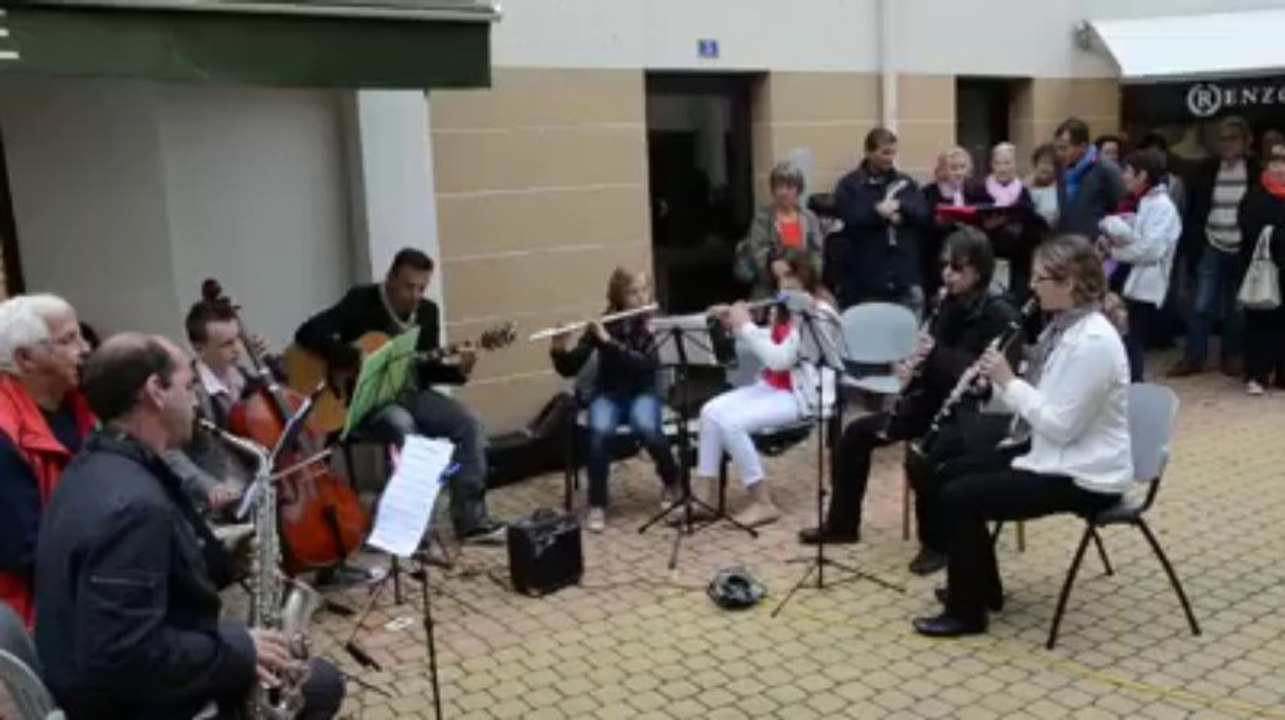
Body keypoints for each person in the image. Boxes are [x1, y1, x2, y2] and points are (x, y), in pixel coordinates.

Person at [34, 333, 345, 719]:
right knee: (321, 684)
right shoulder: (134, 508)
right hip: (132, 706)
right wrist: (240, 648)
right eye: (188, 386)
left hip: (94, 679)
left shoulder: (95, 464)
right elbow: (126, 653)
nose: (195, 400)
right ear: (155, 392)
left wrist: (222, 556)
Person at [913, 235, 1132, 638]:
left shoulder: (1094, 343)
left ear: (1068, 284)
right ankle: (982, 588)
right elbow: (1037, 397)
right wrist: (989, 390)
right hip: (1052, 451)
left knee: (962, 496)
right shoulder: (1061, 330)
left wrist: (1008, 380)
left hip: (1084, 472)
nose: (1031, 286)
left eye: (1039, 278)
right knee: (946, 469)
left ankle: (968, 613)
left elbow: (1061, 424)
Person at [797, 228, 1020, 575]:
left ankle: (937, 543)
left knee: (923, 458)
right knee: (855, 433)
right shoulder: (947, 302)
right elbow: (934, 362)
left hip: (970, 416)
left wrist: (935, 356)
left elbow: (984, 372)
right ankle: (842, 524)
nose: (948, 275)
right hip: (931, 403)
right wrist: (910, 371)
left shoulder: (998, 311)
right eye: (946, 266)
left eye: (958, 268)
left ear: (979, 270)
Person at [295, 248, 504, 543]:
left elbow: (427, 370)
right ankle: (407, 526)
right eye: (409, 286)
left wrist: (461, 371)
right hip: (363, 401)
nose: (416, 294)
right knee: (405, 428)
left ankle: (471, 520)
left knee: (470, 422)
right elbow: (307, 333)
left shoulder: (427, 312)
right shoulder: (361, 301)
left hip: (411, 393)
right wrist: (352, 356)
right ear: (391, 279)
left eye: (422, 287)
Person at [695, 249, 840, 527]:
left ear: (805, 274)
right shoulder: (785, 307)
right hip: (775, 385)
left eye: (788, 276)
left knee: (731, 423)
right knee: (709, 410)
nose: (783, 285)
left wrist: (746, 325)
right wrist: (735, 325)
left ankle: (762, 502)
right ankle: (705, 496)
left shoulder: (817, 313)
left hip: (804, 396)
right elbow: (773, 340)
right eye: (778, 278)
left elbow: (781, 358)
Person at [549, 268, 680, 531]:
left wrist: (608, 343)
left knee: (648, 429)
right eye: (633, 292)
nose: (641, 297)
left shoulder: (654, 324)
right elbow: (570, 368)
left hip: (643, 391)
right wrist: (559, 348)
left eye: (644, 290)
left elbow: (643, 365)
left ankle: (672, 482)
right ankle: (597, 503)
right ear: (619, 296)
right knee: (599, 434)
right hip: (608, 394)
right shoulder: (606, 322)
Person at [0, 294, 94, 627]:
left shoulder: (83, 405)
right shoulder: (4, 434)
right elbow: (26, 553)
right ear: (26, 359)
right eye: (68, 340)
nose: (84, 349)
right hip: (35, 619)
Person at [1169, 116, 1258, 378]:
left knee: (1237, 307)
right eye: (1223, 139)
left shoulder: (1255, 171)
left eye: (1233, 138)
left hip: (1242, 247)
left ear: (1245, 141)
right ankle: (1195, 356)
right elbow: (1195, 208)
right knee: (1201, 304)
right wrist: (1195, 241)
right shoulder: (1206, 170)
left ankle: (1231, 356)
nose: (1227, 144)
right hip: (1212, 242)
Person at [164, 298, 255, 516]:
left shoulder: (246, 379)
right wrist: (207, 486)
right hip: (218, 506)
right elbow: (169, 451)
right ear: (199, 348)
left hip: (258, 493)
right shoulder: (187, 390)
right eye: (227, 344)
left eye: (238, 339)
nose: (238, 350)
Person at [1099, 148, 1183, 382]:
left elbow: (1151, 249)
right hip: (1124, 280)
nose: (1123, 176)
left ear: (1143, 175)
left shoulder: (1162, 207)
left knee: (1130, 340)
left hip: (1140, 286)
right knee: (1120, 338)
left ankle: (1133, 389)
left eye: (1127, 171)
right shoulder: (1140, 202)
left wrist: (1115, 250)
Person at [832, 127, 930, 312]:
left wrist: (900, 207)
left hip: (904, 275)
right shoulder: (850, 185)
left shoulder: (905, 183)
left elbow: (922, 212)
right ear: (869, 152)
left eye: (892, 153)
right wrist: (877, 212)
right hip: (866, 278)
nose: (889, 158)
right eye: (884, 153)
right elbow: (848, 217)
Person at [735, 161, 824, 300]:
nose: (783, 192)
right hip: (769, 288)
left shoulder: (809, 217)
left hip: (804, 286)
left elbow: (817, 252)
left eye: (789, 187)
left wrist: (808, 275)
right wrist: (772, 266)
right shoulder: (763, 218)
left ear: (798, 189)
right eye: (778, 187)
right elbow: (757, 252)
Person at [1237, 142, 1285, 395]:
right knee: (1260, 322)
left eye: (1284, 163)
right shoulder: (1254, 195)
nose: (1280, 168)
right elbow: (1247, 227)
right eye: (1275, 163)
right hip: (1263, 270)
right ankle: (1256, 374)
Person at [979, 142, 1042, 305]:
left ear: (1014, 164)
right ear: (991, 165)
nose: (1002, 168)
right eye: (998, 163)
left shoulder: (1023, 191)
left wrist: (1009, 221)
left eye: (1007, 163)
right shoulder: (979, 190)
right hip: (990, 258)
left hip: (1019, 262)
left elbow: (1033, 225)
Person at [921, 147, 988, 300]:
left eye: (962, 167)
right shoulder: (929, 193)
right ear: (943, 169)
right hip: (938, 256)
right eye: (953, 168)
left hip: (970, 256)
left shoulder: (976, 191)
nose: (958, 172)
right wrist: (939, 223)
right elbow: (923, 224)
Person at [1053, 118, 1126, 239]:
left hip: (1097, 244)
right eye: (1057, 148)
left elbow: (1123, 209)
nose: (1059, 153)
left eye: (1064, 148)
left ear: (1083, 147)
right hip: (1069, 241)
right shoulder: (1061, 167)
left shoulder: (1106, 169)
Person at [1028, 143, 1061, 230]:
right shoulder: (1023, 188)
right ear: (1036, 164)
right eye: (1043, 162)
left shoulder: (1060, 190)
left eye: (1050, 164)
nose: (1046, 168)